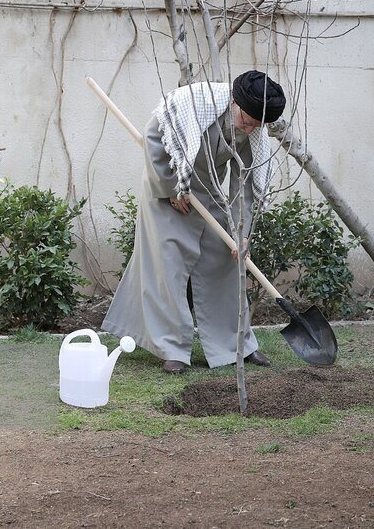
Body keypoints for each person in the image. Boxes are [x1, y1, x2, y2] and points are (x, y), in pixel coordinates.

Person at [102, 70, 286, 373]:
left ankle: (237, 344)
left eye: (257, 124)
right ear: (234, 102)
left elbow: (245, 184)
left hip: (208, 193)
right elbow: (152, 138)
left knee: (225, 264)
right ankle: (171, 348)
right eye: (246, 119)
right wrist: (172, 187)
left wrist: (242, 233)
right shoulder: (193, 102)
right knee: (169, 267)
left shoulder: (252, 130)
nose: (250, 127)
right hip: (168, 190)